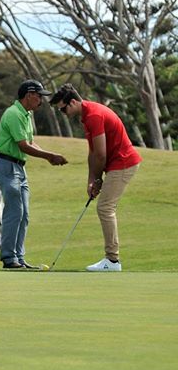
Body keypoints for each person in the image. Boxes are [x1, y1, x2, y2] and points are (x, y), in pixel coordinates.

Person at [50, 83, 141, 271]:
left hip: (123, 162)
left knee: (105, 207)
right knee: (105, 207)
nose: (63, 113)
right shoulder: (86, 116)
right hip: (116, 163)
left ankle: (112, 261)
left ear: (73, 102)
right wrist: (91, 180)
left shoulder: (93, 116)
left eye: (63, 109)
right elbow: (92, 152)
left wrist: (98, 180)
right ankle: (112, 260)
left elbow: (101, 154)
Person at [0, 79, 68, 269]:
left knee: (24, 214)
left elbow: (31, 143)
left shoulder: (25, 114)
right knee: (15, 211)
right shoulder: (13, 114)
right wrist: (49, 156)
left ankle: (18, 258)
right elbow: (23, 146)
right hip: (6, 166)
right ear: (29, 95)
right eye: (39, 96)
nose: (41, 100)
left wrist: (49, 156)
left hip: (18, 167)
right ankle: (9, 258)